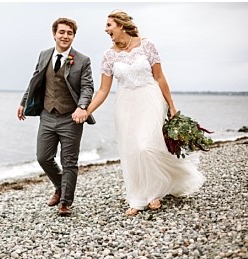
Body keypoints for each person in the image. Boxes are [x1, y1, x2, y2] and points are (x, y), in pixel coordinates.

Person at [84, 10, 204, 216]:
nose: (106, 30)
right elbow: (103, 90)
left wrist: (172, 105)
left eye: (109, 25)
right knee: (131, 151)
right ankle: (138, 197)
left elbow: (159, 77)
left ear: (121, 25)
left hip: (150, 99)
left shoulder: (147, 45)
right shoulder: (108, 55)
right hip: (125, 104)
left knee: (146, 146)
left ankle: (154, 193)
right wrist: (87, 111)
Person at [17, 17, 94, 216]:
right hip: (47, 115)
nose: (65, 36)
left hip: (71, 117)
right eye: (62, 32)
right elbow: (34, 80)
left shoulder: (83, 60)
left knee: (69, 161)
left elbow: (87, 88)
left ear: (74, 36)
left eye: (69, 33)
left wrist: (82, 107)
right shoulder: (44, 55)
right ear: (54, 34)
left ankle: (65, 203)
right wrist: (23, 102)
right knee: (43, 157)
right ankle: (61, 187)